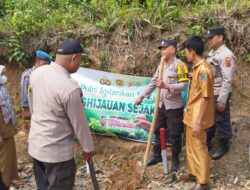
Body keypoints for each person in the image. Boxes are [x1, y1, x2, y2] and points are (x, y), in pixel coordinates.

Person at [28, 39, 94, 190]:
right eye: (80, 59)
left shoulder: (37, 73)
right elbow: (80, 123)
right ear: (74, 58)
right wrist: (87, 148)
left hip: (37, 146)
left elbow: (33, 105)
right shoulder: (69, 88)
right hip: (57, 155)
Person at [135, 40, 189, 172]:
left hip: (174, 106)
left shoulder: (180, 65)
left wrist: (167, 86)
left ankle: (175, 160)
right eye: (161, 49)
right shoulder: (161, 65)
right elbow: (154, 82)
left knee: (175, 133)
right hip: (161, 104)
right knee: (158, 130)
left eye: (165, 48)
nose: (163, 51)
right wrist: (142, 96)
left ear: (173, 49)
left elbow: (184, 85)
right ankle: (157, 155)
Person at [182, 36, 214, 190]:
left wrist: (198, 122)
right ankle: (194, 172)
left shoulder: (204, 70)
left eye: (186, 52)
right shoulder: (196, 69)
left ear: (192, 52)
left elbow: (206, 98)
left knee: (199, 147)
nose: (186, 55)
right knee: (190, 146)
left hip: (197, 117)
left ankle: (203, 182)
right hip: (191, 114)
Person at [205, 26, 235, 160]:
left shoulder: (226, 55)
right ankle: (208, 142)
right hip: (210, 91)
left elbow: (227, 79)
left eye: (211, 37)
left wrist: (222, 100)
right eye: (208, 38)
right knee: (210, 118)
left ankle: (224, 144)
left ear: (220, 37)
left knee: (221, 119)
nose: (209, 40)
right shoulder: (211, 53)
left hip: (219, 92)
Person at [0, 65, 19, 189]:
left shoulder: (2, 89)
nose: (3, 76)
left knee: (9, 156)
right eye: (2, 74)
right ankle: (3, 183)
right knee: (3, 159)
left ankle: (8, 180)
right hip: (2, 131)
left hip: (6, 128)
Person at [20, 50, 52, 119]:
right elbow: (25, 93)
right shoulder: (28, 75)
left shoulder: (44, 74)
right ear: (41, 63)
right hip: (33, 110)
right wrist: (26, 109)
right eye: (47, 64)